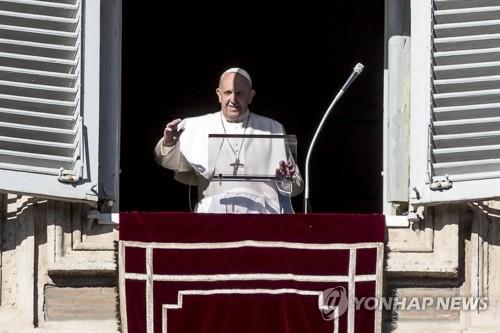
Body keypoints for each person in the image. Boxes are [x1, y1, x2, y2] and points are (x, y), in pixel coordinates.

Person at [154, 68, 303, 213]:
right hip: (213, 214)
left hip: (262, 215)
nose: (233, 100)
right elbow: (172, 163)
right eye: (228, 93)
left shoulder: (272, 128)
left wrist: (285, 179)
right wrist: (169, 143)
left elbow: (295, 187)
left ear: (251, 96)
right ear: (219, 94)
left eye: (239, 94)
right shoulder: (197, 126)